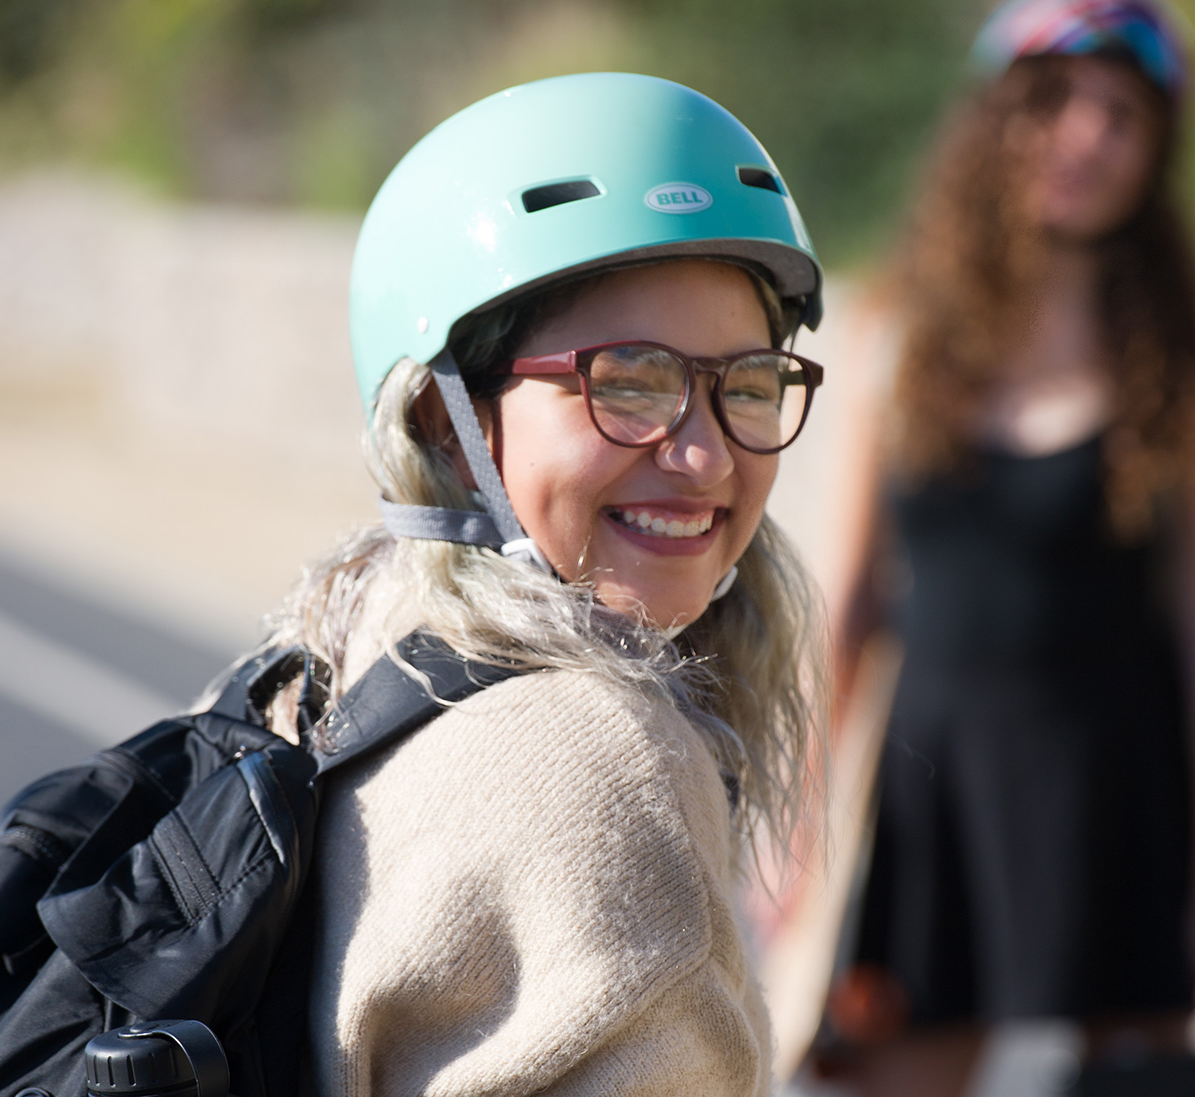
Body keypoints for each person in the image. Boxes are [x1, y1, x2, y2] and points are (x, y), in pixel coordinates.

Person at [257, 73, 827, 1096]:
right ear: (446, 421)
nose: (703, 456)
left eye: (746, 382)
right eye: (629, 380)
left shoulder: (344, 639)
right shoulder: (602, 756)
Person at [812, 2, 1195, 1095]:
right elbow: (852, 593)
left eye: (1124, 116)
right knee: (881, 1071)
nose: (1086, 136)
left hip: (1116, 778)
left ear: (1154, 153)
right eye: (1057, 102)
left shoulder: (1173, 350)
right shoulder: (905, 326)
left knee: (1141, 1075)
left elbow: (1191, 612)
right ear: (998, 119)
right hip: (934, 775)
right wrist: (796, 827)